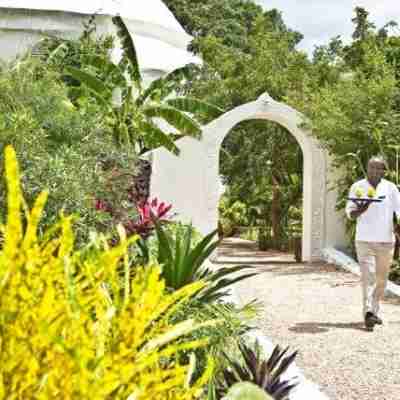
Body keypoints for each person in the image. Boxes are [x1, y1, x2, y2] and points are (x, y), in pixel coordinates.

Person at [346, 156, 400, 331]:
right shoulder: (357, 187)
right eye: (371, 167)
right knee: (368, 278)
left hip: (386, 241)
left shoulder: (391, 188)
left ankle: (374, 311)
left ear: (384, 171)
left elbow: (399, 211)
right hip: (364, 240)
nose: (374, 171)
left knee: (381, 280)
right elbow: (350, 213)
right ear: (367, 168)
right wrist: (360, 209)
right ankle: (368, 312)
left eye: (378, 168)